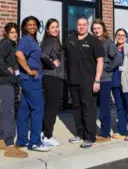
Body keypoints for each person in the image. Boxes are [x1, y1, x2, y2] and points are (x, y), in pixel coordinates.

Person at [64, 17, 105, 149]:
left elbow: (100, 61)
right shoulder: (70, 39)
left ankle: (90, 137)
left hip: (88, 81)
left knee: (88, 109)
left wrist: (97, 80)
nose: (81, 27)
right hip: (73, 80)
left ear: (87, 26)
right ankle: (80, 134)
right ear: (76, 26)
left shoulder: (94, 41)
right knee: (76, 109)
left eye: (84, 25)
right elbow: (61, 54)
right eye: (79, 25)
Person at [15, 16, 50, 152]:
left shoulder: (31, 40)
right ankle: (35, 142)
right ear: (24, 27)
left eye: (34, 24)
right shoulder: (26, 40)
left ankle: (22, 140)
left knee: (24, 110)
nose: (32, 27)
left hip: (27, 80)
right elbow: (18, 54)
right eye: (29, 25)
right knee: (38, 109)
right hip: (31, 80)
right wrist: (29, 70)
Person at [0, 22, 28, 158]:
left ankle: (0, 140)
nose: (15, 34)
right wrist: (8, 72)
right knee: (9, 112)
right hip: (5, 82)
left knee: (4, 110)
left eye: (16, 32)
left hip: (8, 82)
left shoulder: (12, 44)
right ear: (6, 33)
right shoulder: (6, 44)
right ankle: (9, 146)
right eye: (12, 32)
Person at [91, 19, 122, 142]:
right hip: (93, 78)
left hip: (104, 79)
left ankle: (105, 134)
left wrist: (108, 68)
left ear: (103, 29)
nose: (96, 30)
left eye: (98, 28)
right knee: (93, 107)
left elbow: (118, 57)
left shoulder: (108, 43)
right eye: (94, 28)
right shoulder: (92, 41)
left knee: (104, 107)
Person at [40, 18, 65, 147]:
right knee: (52, 108)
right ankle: (48, 136)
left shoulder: (53, 41)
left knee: (49, 107)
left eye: (57, 26)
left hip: (52, 77)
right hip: (52, 77)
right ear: (48, 30)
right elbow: (43, 55)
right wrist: (51, 64)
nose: (56, 29)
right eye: (53, 27)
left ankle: (43, 133)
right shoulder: (50, 40)